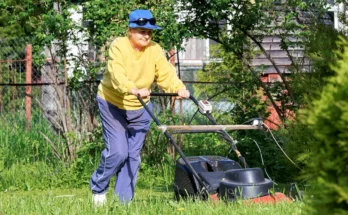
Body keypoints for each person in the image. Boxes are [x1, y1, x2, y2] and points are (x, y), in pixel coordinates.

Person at [90, 9, 190, 206]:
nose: (146, 35)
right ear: (130, 30)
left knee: (133, 156)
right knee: (118, 152)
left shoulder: (154, 50)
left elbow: (166, 74)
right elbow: (116, 72)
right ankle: (98, 187)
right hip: (112, 103)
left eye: (149, 32)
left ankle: (122, 203)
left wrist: (179, 88)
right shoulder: (119, 46)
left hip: (141, 107)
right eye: (141, 31)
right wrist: (132, 88)